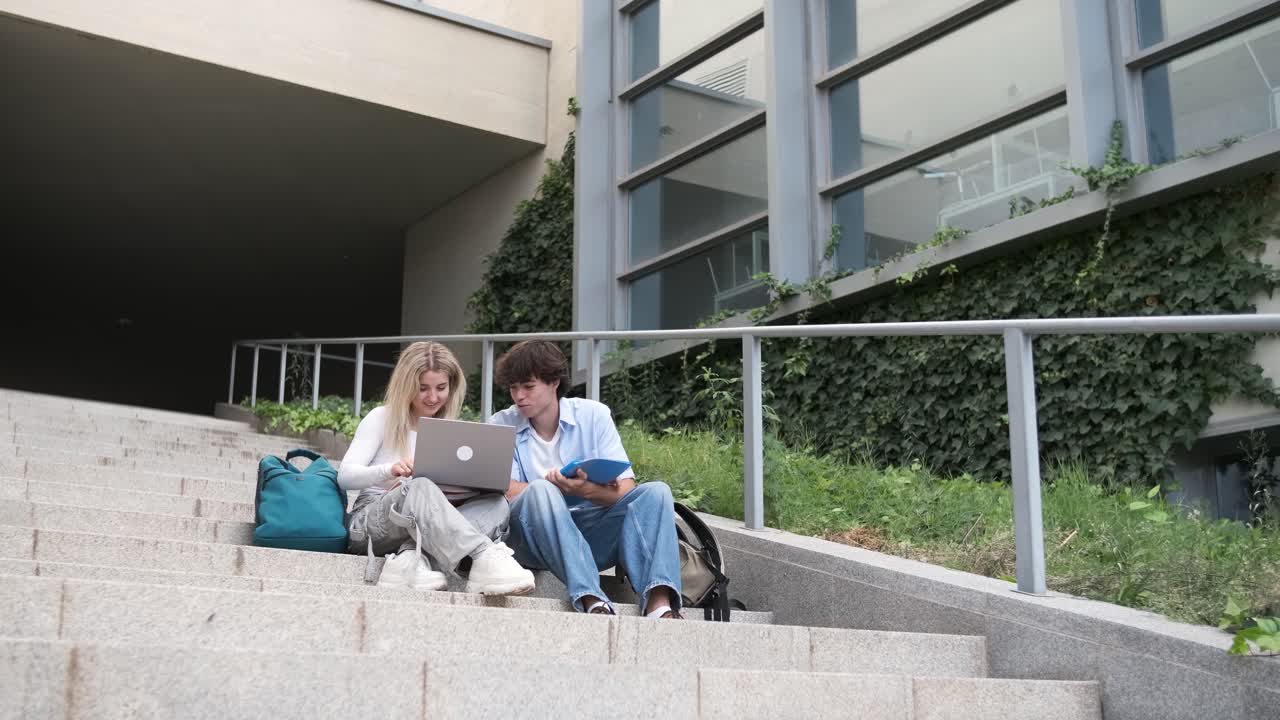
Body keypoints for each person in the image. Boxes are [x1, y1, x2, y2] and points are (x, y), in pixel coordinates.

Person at [488, 340, 682, 618]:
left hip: (591, 531)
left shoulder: (593, 416)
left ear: (554, 382)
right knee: (542, 491)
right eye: (513, 387)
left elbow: (626, 487)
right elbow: (503, 490)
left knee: (657, 492)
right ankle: (590, 595)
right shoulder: (501, 423)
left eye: (528, 387)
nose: (519, 396)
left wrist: (585, 490)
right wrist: (554, 488)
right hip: (530, 539)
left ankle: (659, 602)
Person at [339, 341, 535, 595]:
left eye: (441, 388)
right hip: (370, 521)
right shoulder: (381, 417)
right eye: (422, 389)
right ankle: (482, 557)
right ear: (405, 386)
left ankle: (411, 558)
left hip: (424, 521)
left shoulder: (449, 431)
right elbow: (344, 477)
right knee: (418, 486)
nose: (433, 397)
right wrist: (390, 471)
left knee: (496, 504)